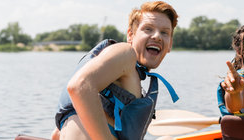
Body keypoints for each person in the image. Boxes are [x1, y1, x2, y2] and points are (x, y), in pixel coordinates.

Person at [52, 1, 179, 140]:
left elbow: (56, 134)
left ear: (170, 44)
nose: (157, 36)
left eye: (164, 32)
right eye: (148, 29)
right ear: (130, 35)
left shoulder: (126, 76)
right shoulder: (125, 53)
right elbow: (79, 86)